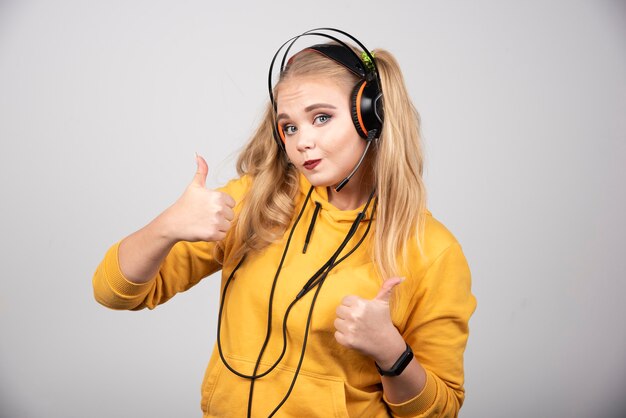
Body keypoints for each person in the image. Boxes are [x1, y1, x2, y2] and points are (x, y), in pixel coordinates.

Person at [93, 28, 476, 418]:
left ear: (371, 118)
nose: (301, 141)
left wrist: (391, 353)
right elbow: (114, 293)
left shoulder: (432, 250)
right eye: (289, 126)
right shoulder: (255, 201)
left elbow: (439, 411)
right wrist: (166, 226)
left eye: (321, 118)